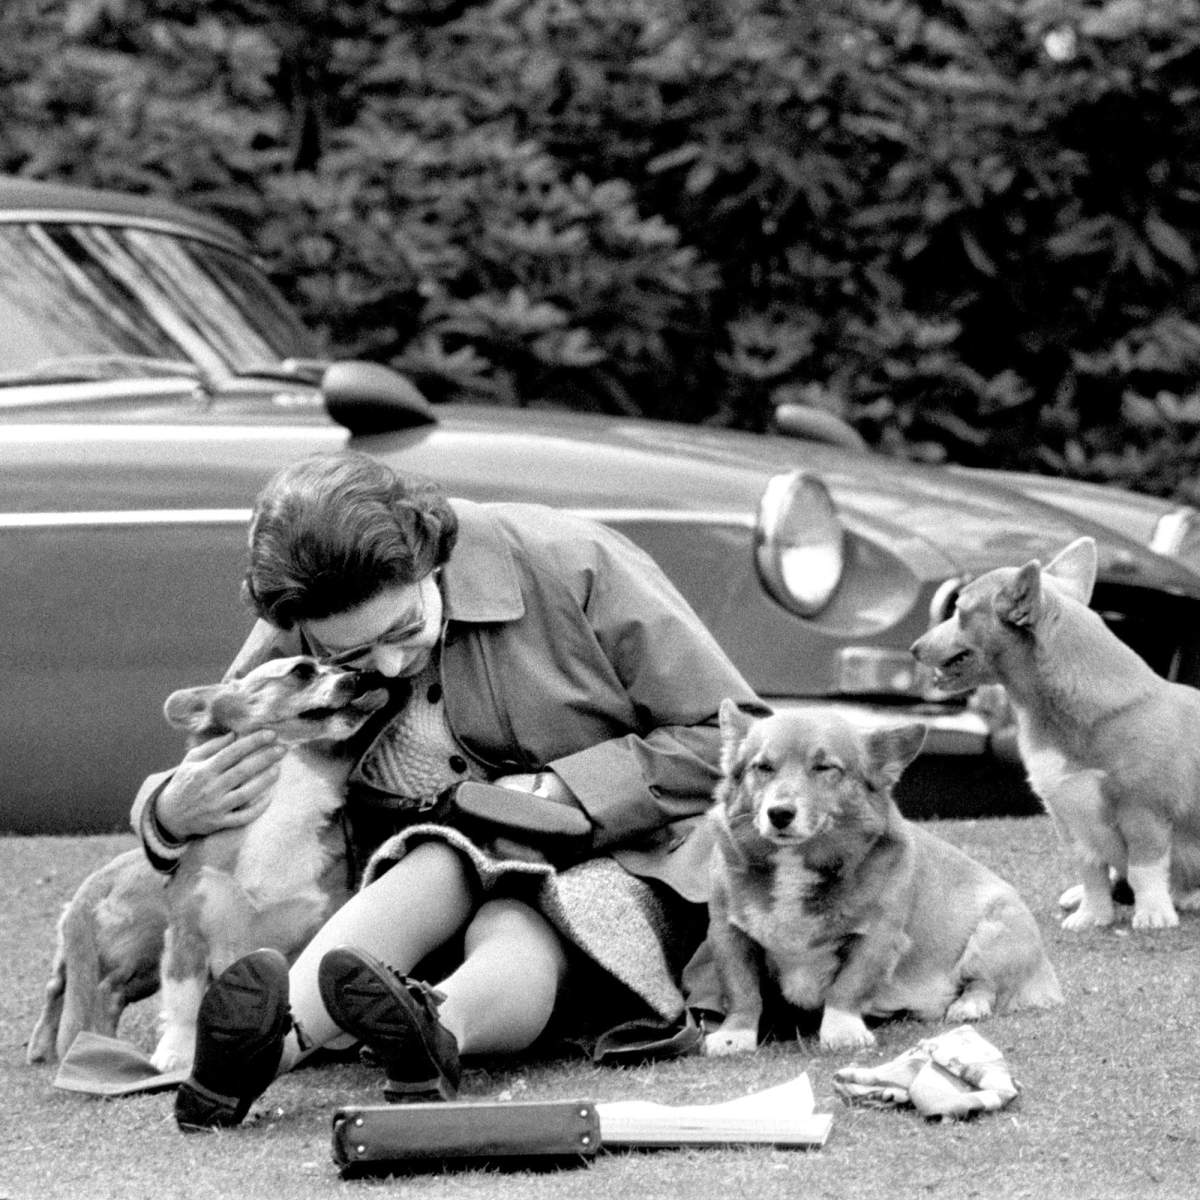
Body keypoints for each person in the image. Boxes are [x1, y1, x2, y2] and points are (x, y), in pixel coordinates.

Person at [130, 449, 763, 1131]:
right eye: (350, 656)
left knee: (518, 918)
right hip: (422, 880)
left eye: (403, 630)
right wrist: (166, 812)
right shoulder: (312, 607)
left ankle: (434, 1027)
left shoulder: (573, 562)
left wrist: (564, 788)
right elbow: (222, 734)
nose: (387, 665)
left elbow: (736, 738)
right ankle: (259, 1053)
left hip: (622, 857)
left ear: (431, 557)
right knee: (441, 858)